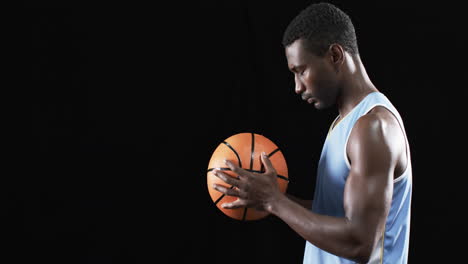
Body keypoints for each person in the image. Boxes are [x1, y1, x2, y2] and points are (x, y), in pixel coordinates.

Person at [212, 2, 412, 263]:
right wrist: (270, 198)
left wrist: (275, 202)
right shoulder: (347, 123)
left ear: (335, 55)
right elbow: (337, 215)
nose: (297, 87)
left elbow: (361, 242)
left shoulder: (374, 127)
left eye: (301, 70)